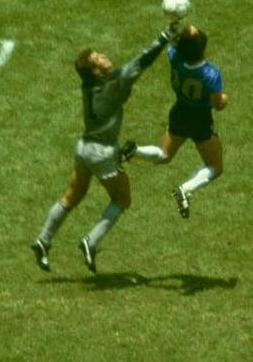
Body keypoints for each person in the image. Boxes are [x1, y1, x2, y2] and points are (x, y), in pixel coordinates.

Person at [31, 21, 179, 273]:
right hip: (102, 152)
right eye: (98, 57)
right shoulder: (113, 83)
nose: (104, 56)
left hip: (83, 147)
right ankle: (91, 241)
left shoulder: (88, 84)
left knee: (72, 196)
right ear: (96, 70)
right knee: (122, 198)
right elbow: (141, 61)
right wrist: (165, 36)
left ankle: (43, 240)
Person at [122, 25, 228, 218]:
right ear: (202, 49)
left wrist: (175, 28)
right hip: (200, 119)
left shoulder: (175, 57)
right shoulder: (211, 74)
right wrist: (224, 98)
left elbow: (173, 45)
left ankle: (135, 151)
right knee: (215, 166)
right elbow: (217, 105)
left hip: (179, 112)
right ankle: (185, 189)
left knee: (164, 155)